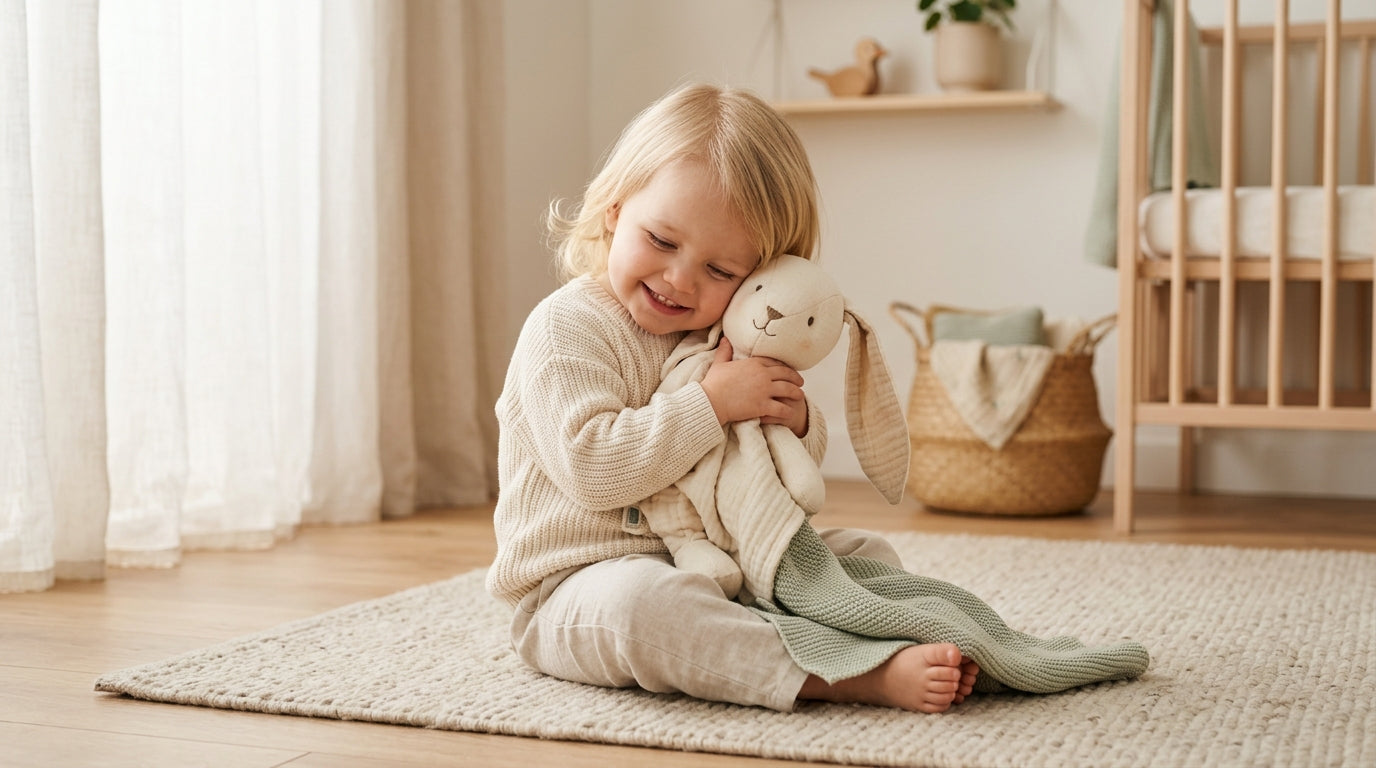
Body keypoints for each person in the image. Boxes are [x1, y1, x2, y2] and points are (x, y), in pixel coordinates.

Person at [484, 81, 979, 714]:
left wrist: (794, 420)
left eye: (722, 272)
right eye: (662, 241)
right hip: (580, 586)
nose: (679, 280)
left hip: (723, 564)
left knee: (861, 555)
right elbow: (594, 470)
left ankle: (899, 630)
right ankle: (843, 676)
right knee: (648, 608)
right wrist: (712, 405)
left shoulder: (730, 333)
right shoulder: (565, 329)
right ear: (613, 210)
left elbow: (773, 459)